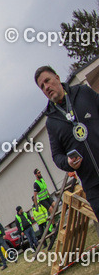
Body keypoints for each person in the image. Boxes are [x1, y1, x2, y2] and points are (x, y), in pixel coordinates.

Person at [36, 65, 99, 217]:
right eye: (42, 86)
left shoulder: (83, 93)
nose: (46, 87)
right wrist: (68, 163)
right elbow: (57, 156)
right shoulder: (51, 122)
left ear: (57, 78)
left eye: (47, 81)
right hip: (93, 187)